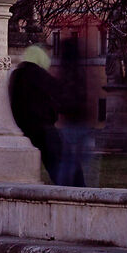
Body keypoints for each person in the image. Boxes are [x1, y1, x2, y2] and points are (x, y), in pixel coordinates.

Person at [8, 45, 62, 182]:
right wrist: (52, 115)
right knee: (61, 159)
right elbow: (58, 93)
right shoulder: (38, 74)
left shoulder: (16, 74)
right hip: (42, 125)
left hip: (25, 125)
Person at [53, 37, 96, 186]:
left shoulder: (64, 71)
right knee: (77, 161)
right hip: (77, 121)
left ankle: (68, 188)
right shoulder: (76, 70)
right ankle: (82, 189)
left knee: (69, 161)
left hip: (71, 122)